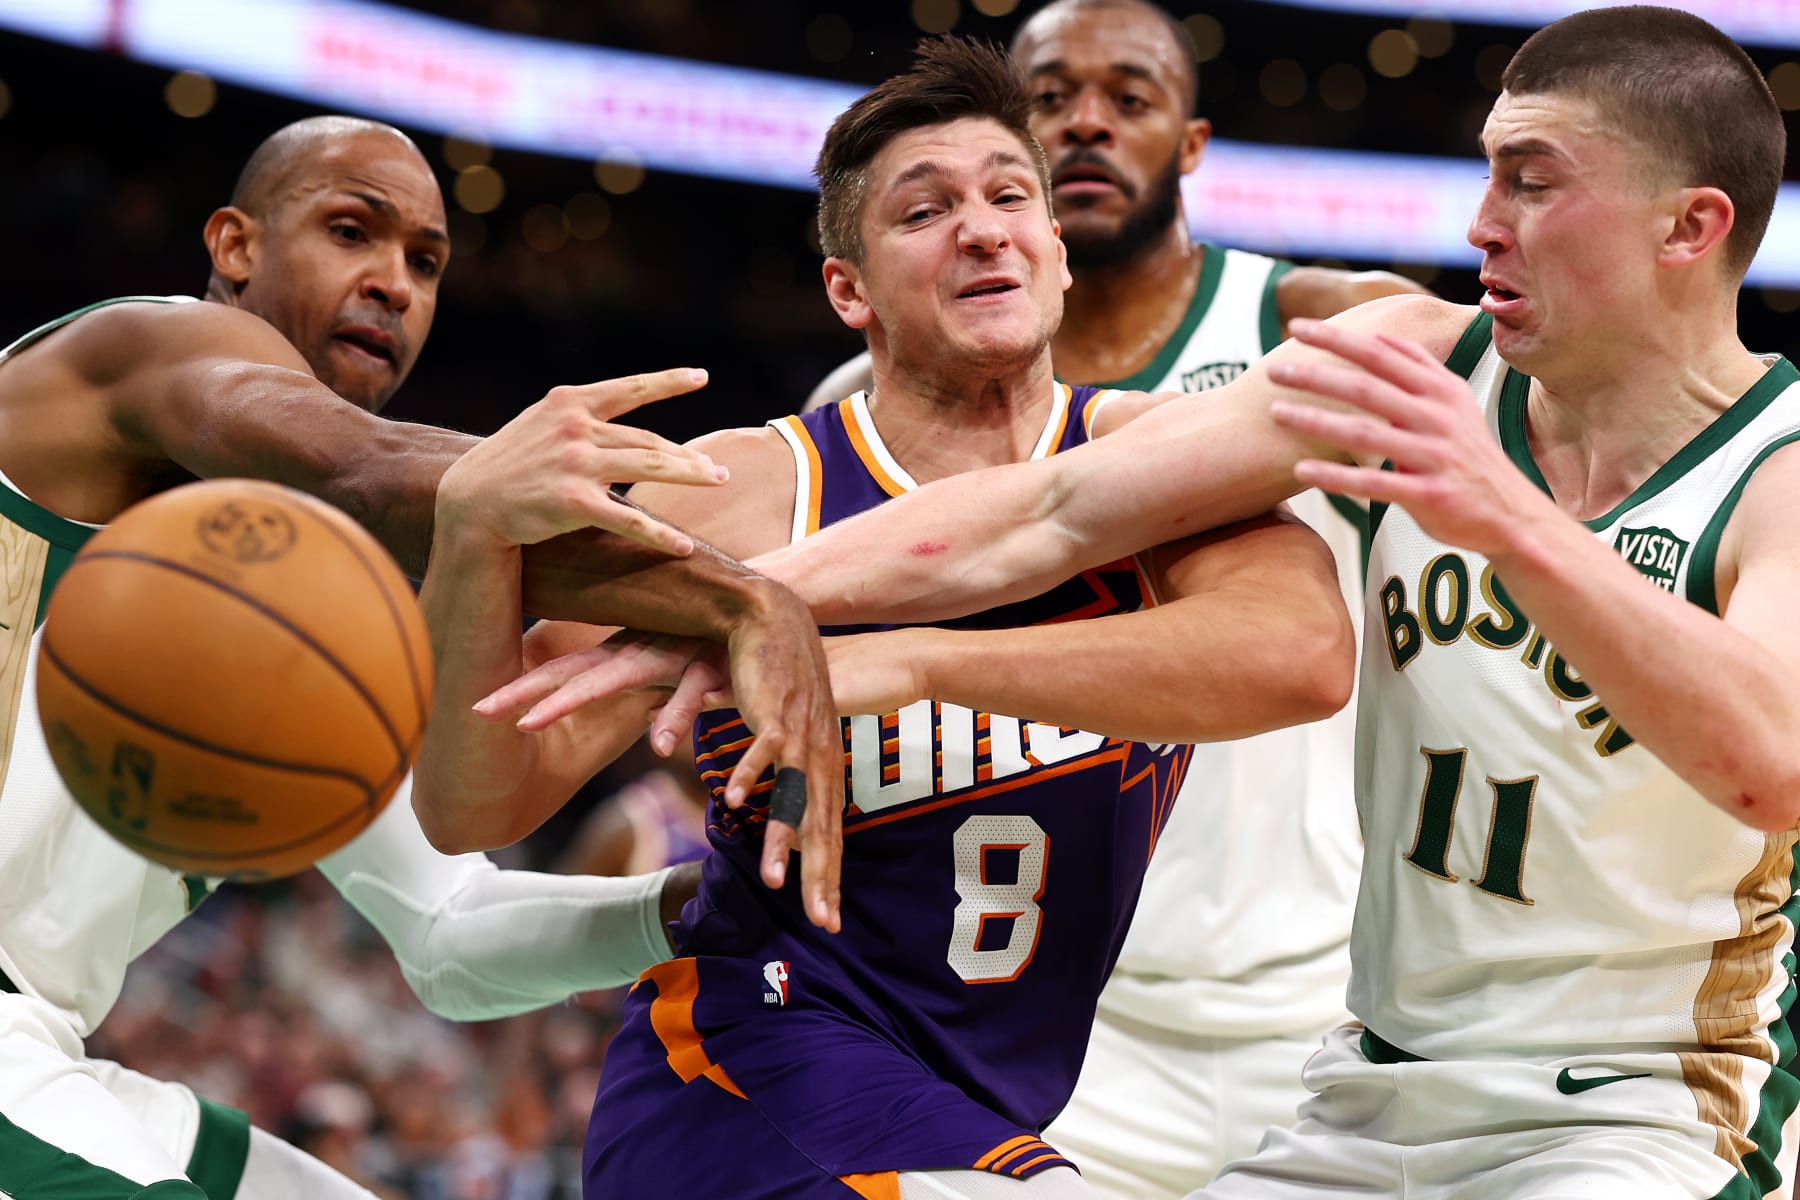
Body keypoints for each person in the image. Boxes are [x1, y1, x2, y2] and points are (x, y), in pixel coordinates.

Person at [645, 8, 1794, 1195]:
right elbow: (1053, 512)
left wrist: (1503, 514)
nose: (1480, 223)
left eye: (1531, 182)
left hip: (1634, 1112)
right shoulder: (1419, 360)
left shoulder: (1781, 469)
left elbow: (1774, 763)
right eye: (1489, 173)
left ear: (1689, 226)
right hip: (1371, 1089)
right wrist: (742, 608)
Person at [415, 38, 1354, 1200]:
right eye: (924, 210)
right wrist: (468, 540)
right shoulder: (746, 491)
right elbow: (479, 803)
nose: (981, 227)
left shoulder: (1155, 472)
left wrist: (924, 663)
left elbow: (1304, 658)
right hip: (751, 1067)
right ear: (847, 289)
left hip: (987, 1104)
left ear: (1058, 254)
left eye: (1012, 197)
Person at [0, 114, 838, 1200]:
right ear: (235, 247)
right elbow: (371, 468)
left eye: (426, 262)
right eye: (353, 230)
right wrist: (740, 596)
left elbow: (452, 934)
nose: (394, 282)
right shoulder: (144, 348)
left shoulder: (335, 609)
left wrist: (706, 907)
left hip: (40, 1048)